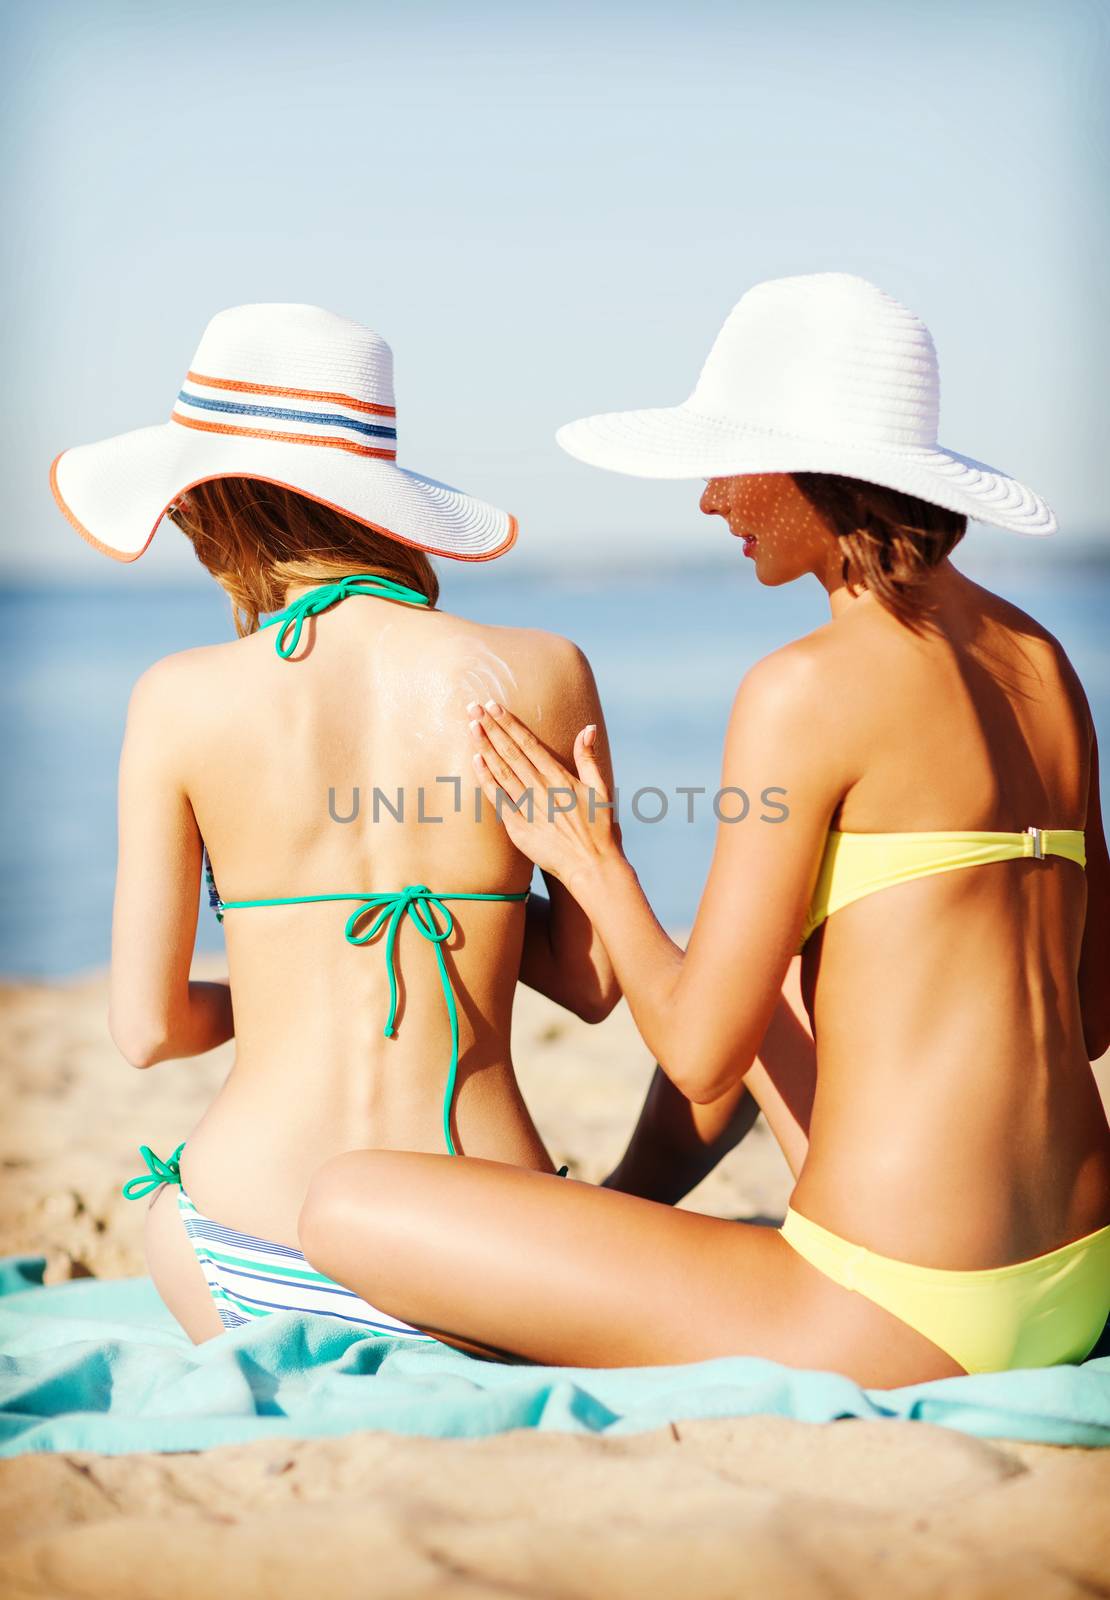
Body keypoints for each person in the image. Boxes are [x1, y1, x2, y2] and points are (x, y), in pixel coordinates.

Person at [295, 273, 1110, 1388]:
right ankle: (626, 1211)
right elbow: (1095, 1005)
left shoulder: (804, 690)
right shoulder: (1045, 665)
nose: (711, 500)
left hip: (895, 1304)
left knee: (350, 1201)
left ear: (805, 467)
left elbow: (695, 1048)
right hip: (1072, 1278)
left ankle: (614, 1234)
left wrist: (592, 862)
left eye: (728, 462)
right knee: (776, 977)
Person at [50, 302, 618, 1344]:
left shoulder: (180, 696)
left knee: (173, 1213)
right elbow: (591, 984)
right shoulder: (545, 671)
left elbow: (144, 1029)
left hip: (245, 1240)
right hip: (490, 1249)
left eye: (185, 505)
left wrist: (285, 982)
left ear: (228, 504)